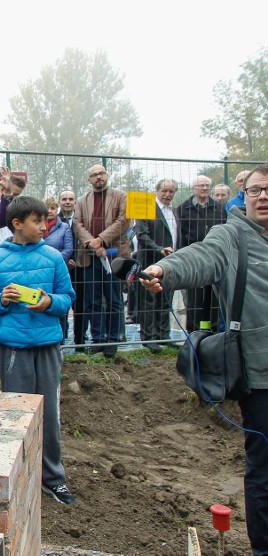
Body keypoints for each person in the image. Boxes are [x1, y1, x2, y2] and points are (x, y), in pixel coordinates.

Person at [139, 165, 268, 554]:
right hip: (261, 377)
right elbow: (198, 257)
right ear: (244, 196)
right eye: (257, 190)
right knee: (263, 471)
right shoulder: (232, 237)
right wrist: (165, 268)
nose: (264, 197)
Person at [0, 196, 76, 505]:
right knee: (14, 414)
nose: (44, 226)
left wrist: (49, 303)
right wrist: (1, 300)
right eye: (37, 221)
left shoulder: (54, 257)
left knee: (49, 413)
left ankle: (52, 478)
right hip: (13, 349)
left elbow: (67, 297)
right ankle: (15, 473)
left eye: (45, 221)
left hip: (47, 345)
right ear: (17, 224)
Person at [73, 164, 131, 357]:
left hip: (114, 256)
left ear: (107, 175)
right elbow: (77, 224)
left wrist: (101, 240)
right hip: (90, 257)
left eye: (101, 173)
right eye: (94, 175)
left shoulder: (120, 196)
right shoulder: (81, 201)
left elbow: (123, 221)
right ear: (89, 180)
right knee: (93, 300)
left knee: (114, 299)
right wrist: (93, 244)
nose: (99, 177)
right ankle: (98, 339)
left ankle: (113, 339)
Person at [175, 175, 226, 333]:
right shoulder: (183, 209)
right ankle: (195, 334)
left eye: (206, 185)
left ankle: (214, 333)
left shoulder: (218, 208)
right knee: (195, 299)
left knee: (215, 299)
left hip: (215, 258)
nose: (204, 188)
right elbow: (179, 235)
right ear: (194, 188)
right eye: (201, 186)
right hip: (194, 259)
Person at [134, 179, 179, 353]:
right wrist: (160, 249)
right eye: (165, 191)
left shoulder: (174, 211)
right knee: (149, 301)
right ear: (157, 191)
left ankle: (164, 336)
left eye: (171, 191)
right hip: (150, 261)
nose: (168, 194)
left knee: (166, 298)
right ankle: (149, 338)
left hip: (171, 263)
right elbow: (142, 236)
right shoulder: (146, 208)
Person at [58, 189, 88, 349]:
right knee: (62, 305)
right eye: (64, 199)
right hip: (61, 269)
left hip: (80, 269)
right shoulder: (54, 220)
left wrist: (76, 260)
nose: (67, 202)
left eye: (70, 199)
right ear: (59, 202)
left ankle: (80, 340)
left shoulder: (81, 220)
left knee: (80, 306)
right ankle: (61, 337)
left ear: (75, 202)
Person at [43, 196, 73, 341]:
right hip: (41, 271)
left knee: (59, 304)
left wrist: (53, 259)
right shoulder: (37, 226)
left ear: (57, 209)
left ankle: (61, 339)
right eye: (47, 208)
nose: (50, 211)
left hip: (58, 270)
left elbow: (68, 249)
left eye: (53, 208)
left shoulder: (64, 227)